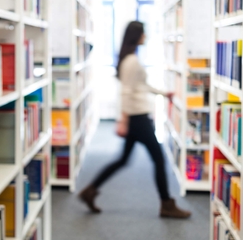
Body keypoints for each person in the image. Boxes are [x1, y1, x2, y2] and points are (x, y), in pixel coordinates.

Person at [78, 21, 191, 219]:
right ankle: (166, 204)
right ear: (136, 35)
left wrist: (163, 93)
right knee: (159, 159)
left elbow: (142, 85)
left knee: (123, 160)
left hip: (136, 116)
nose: (145, 37)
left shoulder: (130, 59)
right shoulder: (131, 61)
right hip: (137, 118)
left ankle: (90, 190)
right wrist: (123, 120)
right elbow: (126, 92)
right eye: (143, 33)